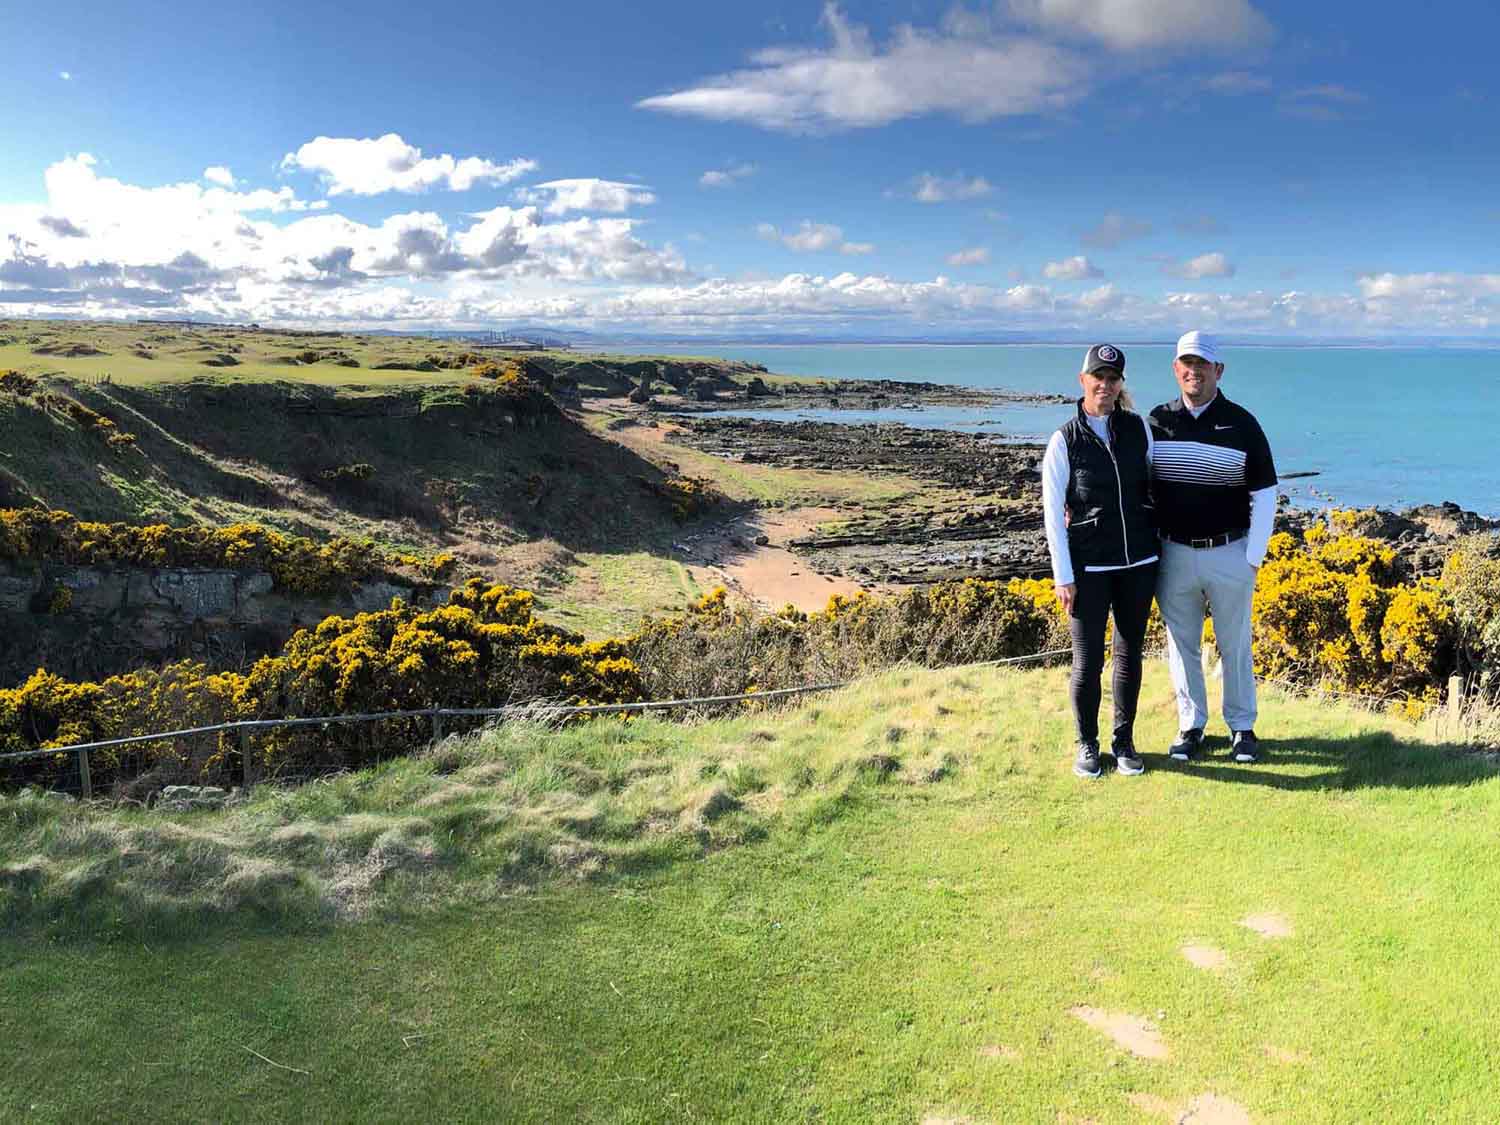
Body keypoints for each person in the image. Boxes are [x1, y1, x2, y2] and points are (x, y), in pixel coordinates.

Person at [1149, 330, 1278, 764]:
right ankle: (1191, 726)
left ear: (1218, 371)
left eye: (1202, 364)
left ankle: (1242, 728)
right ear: (1175, 369)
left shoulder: (1242, 423)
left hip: (1229, 552)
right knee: (1181, 643)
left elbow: (1265, 493)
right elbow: (1136, 486)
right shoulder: (1156, 422)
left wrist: (1253, 558)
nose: (1194, 371)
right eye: (1187, 363)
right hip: (1174, 553)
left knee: (1234, 642)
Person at [1042, 344, 1160, 779]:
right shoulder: (1064, 440)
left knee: (1130, 656)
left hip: (1138, 564)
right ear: (1083, 380)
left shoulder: (1136, 430)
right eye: (1098, 377)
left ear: (1120, 384)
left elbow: (1155, 486)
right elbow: (1053, 514)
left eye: (1113, 379)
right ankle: (1087, 745)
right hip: (1088, 569)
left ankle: (1123, 741)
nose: (1105, 386)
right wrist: (1063, 576)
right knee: (1087, 663)